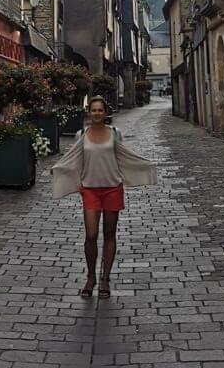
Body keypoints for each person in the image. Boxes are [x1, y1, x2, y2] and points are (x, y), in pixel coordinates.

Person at [51, 96, 158, 298]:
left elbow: (125, 157)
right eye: (93, 110)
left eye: (100, 110)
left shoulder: (115, 134)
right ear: (88, 112)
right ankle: (90, 277)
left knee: (109, 234)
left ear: (105, 112)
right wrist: (59, 172)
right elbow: (73, 160)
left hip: (112, 189)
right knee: (91, 235)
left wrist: (146, 166)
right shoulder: (81, 135)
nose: (97, 113)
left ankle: (105, 279)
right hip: (90, 189)